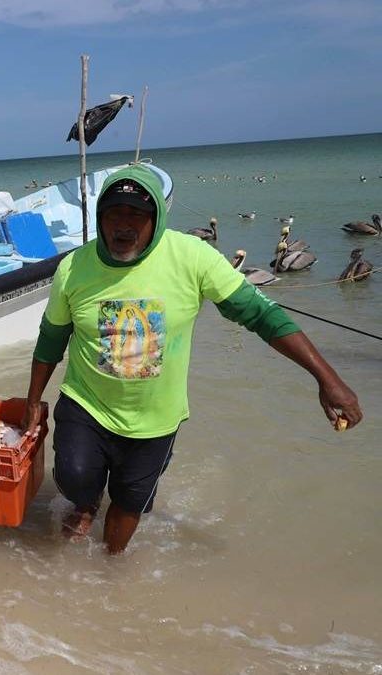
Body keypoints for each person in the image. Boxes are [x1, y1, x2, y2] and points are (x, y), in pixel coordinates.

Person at [22, 165, 362, 555]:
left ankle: (110, 576)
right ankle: (86, 503)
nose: (124, 225)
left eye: (137, 214)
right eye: (114, 213)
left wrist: (327, 378)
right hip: (87, 405)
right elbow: (51, 338)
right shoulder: (74, 267)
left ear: (157, 219)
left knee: (129, 504)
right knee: (74, 479)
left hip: (156, 419)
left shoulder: (193, 257)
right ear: (100, 218)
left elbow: (262, 315)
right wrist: (33, 400)